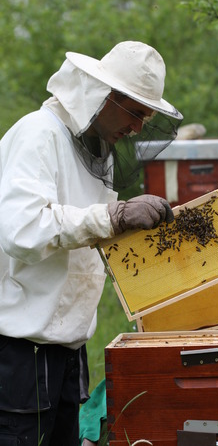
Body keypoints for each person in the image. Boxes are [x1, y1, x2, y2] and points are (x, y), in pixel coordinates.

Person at [0, 41, 183, 445]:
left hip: (68, 349)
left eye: (147, 116)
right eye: (135, 112)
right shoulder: (38, 135)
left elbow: (92, 236)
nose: (138, 127)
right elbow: (23, 230)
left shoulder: (101, 151)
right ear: (103, 94)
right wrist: (114, 216)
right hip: (20, 352)